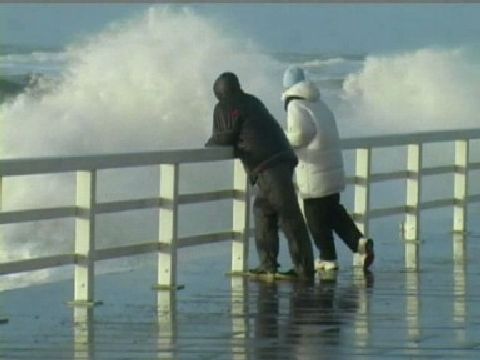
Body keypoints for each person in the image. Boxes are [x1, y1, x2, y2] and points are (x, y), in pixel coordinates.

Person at [205, 72, 314, 279]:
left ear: (219, 92)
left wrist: (210, 145)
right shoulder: (252, 100)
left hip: (268, 164)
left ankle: (304, 269)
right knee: (263, 212)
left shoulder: (227, 105)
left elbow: (225, 136)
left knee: (288, 216)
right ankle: (268, 264)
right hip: (280, 158)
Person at [281, 66, 374, 272]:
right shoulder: (319, 103)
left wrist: (282, 138)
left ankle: (327, 258)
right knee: (334, 213)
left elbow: (299, 136)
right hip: (331, 167)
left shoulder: (296, 105)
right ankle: (360, 244)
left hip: (314, 171)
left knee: (315, 217)